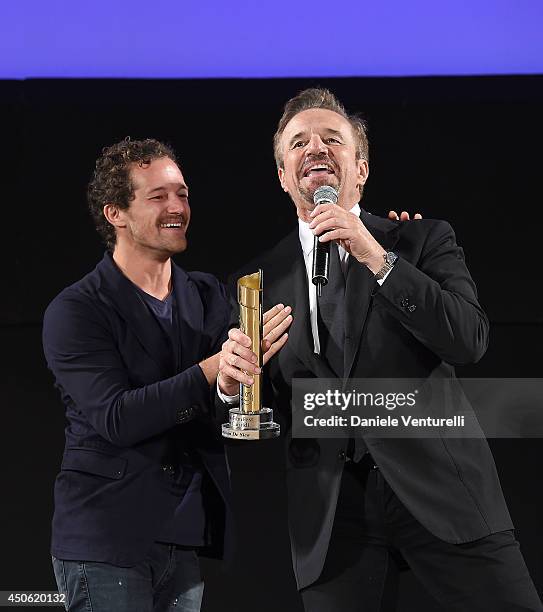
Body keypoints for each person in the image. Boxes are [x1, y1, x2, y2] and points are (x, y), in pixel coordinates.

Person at [217, 89, 543, 611]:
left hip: (441, 490)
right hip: (332, 515)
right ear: (283, 176)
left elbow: (468, 340)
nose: (315, 148)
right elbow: (271, 405)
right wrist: (232, 385)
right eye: (299, 142)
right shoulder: (256, 282)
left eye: (331, 139)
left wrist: (375, 254)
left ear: (361, 168)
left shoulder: (421, 241)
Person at [42, 137, 290, 612]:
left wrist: (234, 379)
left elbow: (234, 387)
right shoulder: (76, 310)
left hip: (184, 536)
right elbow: (116, 417)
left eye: (183, 194)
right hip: (106, 542)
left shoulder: (207, 296)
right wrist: (214, 370)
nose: (177, 206)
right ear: (116, 213)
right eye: (158, 196)